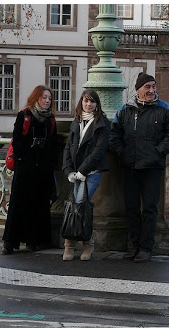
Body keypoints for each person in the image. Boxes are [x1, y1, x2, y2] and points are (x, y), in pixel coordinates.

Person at [109, 73, 169, 263]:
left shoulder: (166, 110)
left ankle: (146, 248)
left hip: (153, 167)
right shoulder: (124, 111)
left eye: (153, 87)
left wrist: (158, 152)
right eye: (147, 87)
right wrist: (121, 153)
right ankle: (134, 245)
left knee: (149, 209)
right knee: (131, 208)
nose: (151, 90)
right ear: (138, 89)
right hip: (130, 166)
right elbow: (114, 136)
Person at [2, 85, 59, 254]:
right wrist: (23, 158)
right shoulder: (25, 115)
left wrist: (48, 162)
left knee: (39, 205)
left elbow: (53, 144)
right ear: (36, 98)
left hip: (42, 168)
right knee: (18, 204)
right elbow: (17, 139)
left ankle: (34, 240)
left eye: (49, 98)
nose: (47, 101)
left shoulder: (51, 119)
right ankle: (10, 242)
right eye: (44, 97)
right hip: (26, 166)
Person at [62, 89, 110, 261]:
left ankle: (86, 245)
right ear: (81, 102)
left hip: (92, 172)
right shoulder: (77, 121)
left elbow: (99, 151)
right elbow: (68, 147)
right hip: (75, 172)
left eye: (92, 101)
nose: (88, 104)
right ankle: (70, 244)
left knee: (81, 205)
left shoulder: (102, 123)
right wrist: (68, 170)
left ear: (97, 104)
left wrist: (83, 170)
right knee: (74, 206)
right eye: (85, 101)